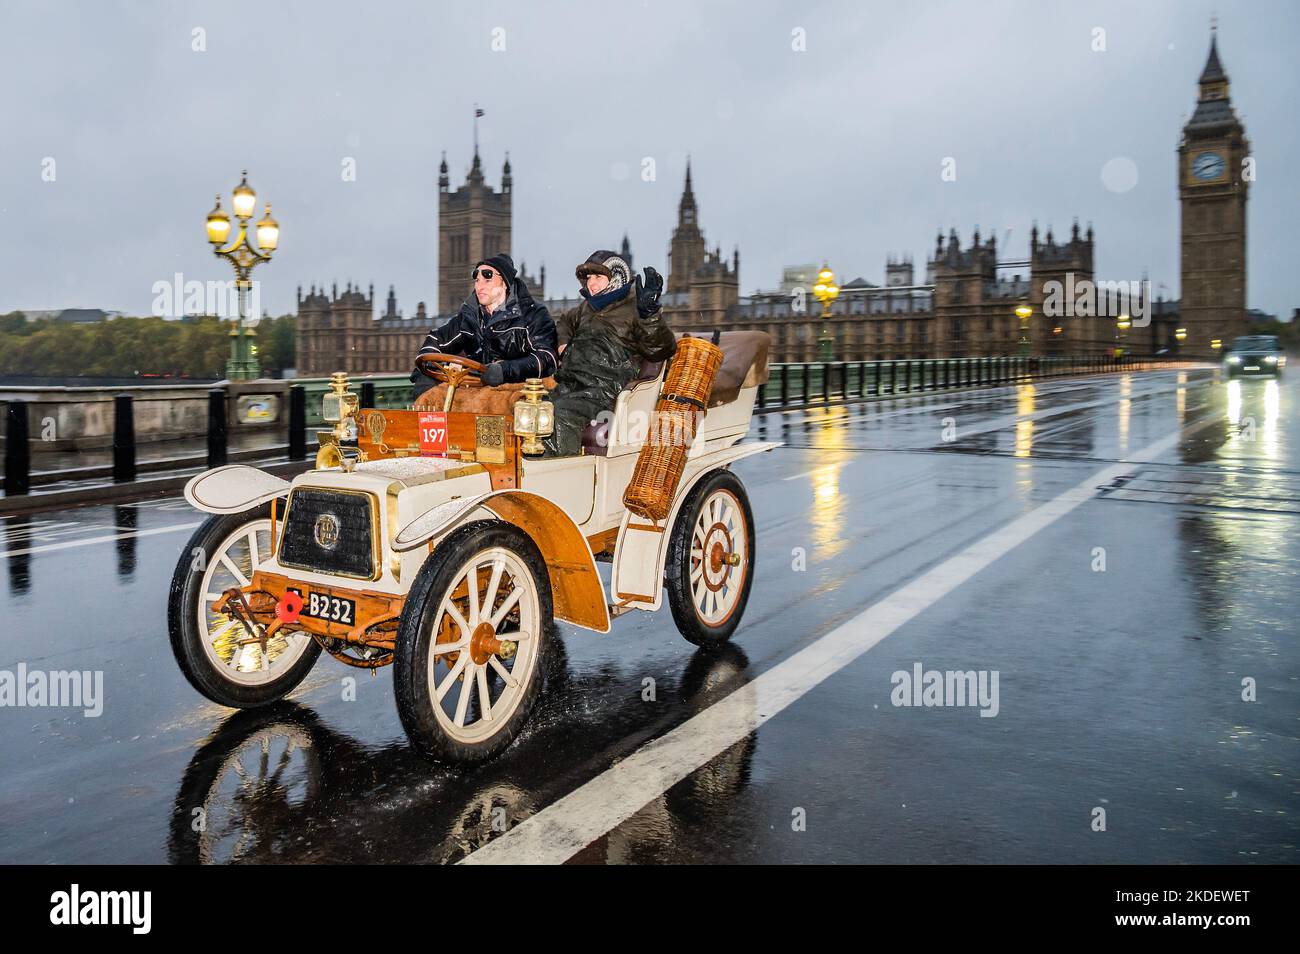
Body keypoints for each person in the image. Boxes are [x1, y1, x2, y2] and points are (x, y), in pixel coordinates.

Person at [541, 249, 674, 456]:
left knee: (559, 416)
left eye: (598, 276)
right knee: (531, 410)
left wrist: (650, 316)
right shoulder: (587, 307)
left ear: (617, 276)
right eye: (588, 278)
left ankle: (559, 478)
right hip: (572, 384)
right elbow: (565, 322)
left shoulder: (635, 307)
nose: (590, 283)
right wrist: (563, 344)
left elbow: (661, 349)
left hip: (605, 391)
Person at [409, 253, 558, 402]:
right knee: (428, 393)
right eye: (477, 280)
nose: (479, 286)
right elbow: (437, 339)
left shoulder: (533, 314)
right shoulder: (471, 316)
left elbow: (546, 357)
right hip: (478, 390)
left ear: (505, 283)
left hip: (517, 390)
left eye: (488, 280)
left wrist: (505, 370)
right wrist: (426, 369)